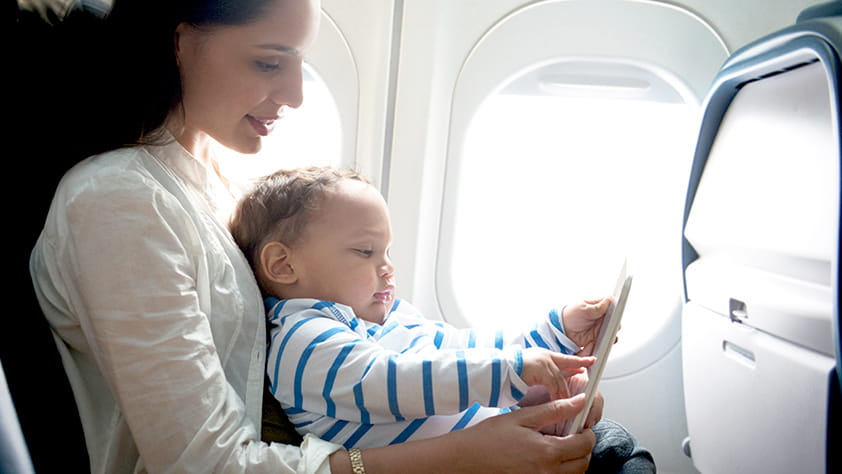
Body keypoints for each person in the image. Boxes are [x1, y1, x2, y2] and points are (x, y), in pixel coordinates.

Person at [27, 0, 637, 472]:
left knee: (603, 442)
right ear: (179, 42)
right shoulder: (121, 202)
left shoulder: (218, 181)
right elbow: (204, 464)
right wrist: (466, 456)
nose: (294, 94)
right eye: (269, 61)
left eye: (299, 64)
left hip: (320, 448)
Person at [229, 166, 616, 449]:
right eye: (365, 251)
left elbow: (465, 348)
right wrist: (511, 372)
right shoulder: (302, 343)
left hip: (506, 439)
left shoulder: (390, 320)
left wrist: (557, 332)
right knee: (616, 448)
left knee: (609, 433)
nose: (387, 266)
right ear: (283, 265)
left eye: (387, 251)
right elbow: (395, 381)